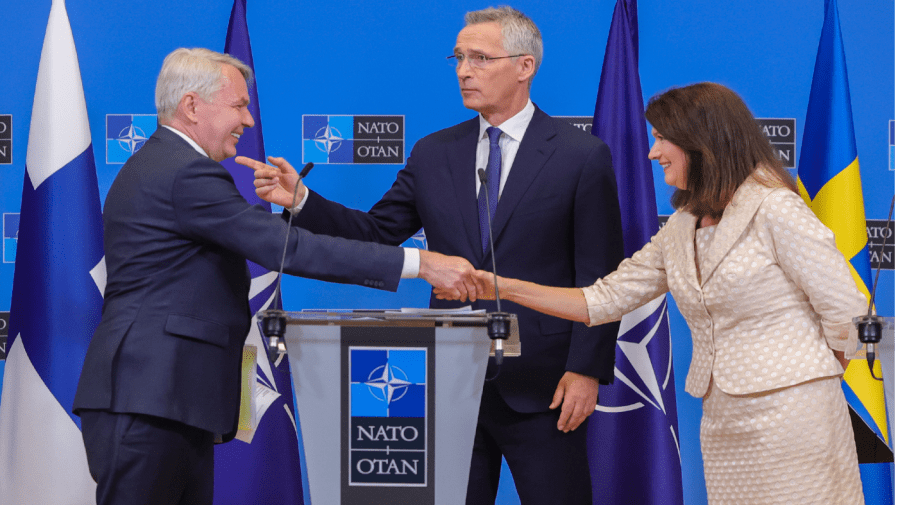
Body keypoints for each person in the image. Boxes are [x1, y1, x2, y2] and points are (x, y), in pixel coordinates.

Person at [238, 6, 623, 504]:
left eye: (480, 58)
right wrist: (303, 201)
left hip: (545, 385)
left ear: (525, 66)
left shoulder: (581, 155)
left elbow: (600, 275)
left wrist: (586, 369)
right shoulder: (434, 152)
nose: (464, 70)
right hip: (451, 382)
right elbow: (377, 233)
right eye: (459, 57)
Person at [72, 47, 474, 505]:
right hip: (150, 398)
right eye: (239, 105)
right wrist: (421, 264)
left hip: (166, 398)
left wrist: (301, 202)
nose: (247, 120)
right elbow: (289, 248)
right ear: (191, 106)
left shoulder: (167, 166)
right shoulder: (185, 174)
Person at [472, 82, 867, 505]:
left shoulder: (775, 208)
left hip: (797, 419)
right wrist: (504, 287)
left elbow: (849, 313)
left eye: (662, 139)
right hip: (723, 423)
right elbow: (601, 300)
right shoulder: (682, 226)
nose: (652, 152)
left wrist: (809, 383)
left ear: (702, 142)